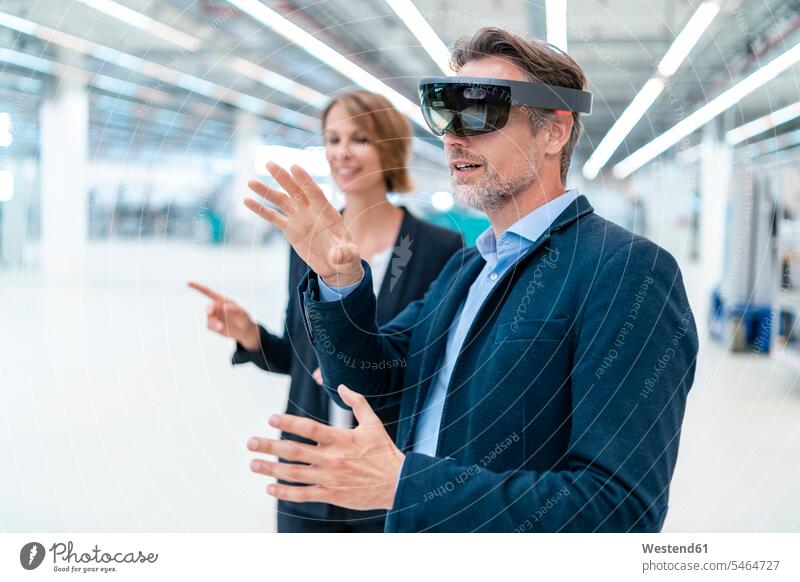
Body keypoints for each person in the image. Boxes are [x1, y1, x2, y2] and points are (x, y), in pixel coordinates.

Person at [243, 27, 699, 532]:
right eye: (444, 114)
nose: (454, 136)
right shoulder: (467, 270)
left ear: (555, 131)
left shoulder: (625, 272)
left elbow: (617, 511)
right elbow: (377, 382)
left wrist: (407, 487)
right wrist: (339, 282)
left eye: (481, 112)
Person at [189, 90, 463, 533]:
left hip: (384, 470)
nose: (342, 152)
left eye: (360, 139)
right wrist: (249, 335)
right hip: (308, 466)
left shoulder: (435, 247)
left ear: (389, 147)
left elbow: (431, 364)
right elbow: (299, 357)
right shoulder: (308, 241)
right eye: (332, 140)